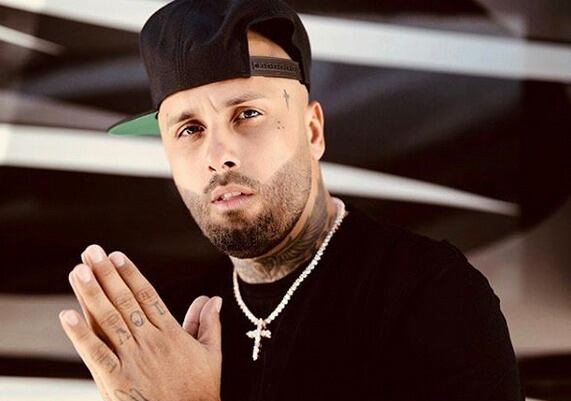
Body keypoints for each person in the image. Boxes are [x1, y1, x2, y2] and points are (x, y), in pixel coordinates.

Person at [58, 0, 524, 400]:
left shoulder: (432, 294)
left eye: (247, 114)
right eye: (190, 129)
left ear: (312, 130)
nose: (218, 157)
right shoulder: (175, 327)